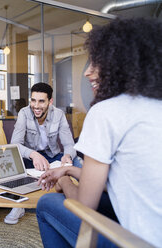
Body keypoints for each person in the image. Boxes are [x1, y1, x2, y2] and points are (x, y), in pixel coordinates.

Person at [36, 18, 162, 247]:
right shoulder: (154, 107)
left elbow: (85, 207)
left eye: (96, 63)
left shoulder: (107, 111)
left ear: (120, 65)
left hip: (137, 243)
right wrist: (68, 169)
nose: (87, 73)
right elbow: (122, 181)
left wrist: (65, 181)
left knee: (47, 204)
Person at [5, 82, 81, 225]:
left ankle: (83, 202)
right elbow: (14, 145)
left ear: (50, 101)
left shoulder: (58, 114)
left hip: (53, 155)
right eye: (33, 100)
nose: (36, 105)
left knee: (77, 163)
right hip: (29, 156)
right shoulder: (24, 113)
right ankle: (18, 205)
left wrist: (68, 155)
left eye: (41, 101)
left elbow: (69, 144)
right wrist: (33, 154)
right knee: (13, 159)